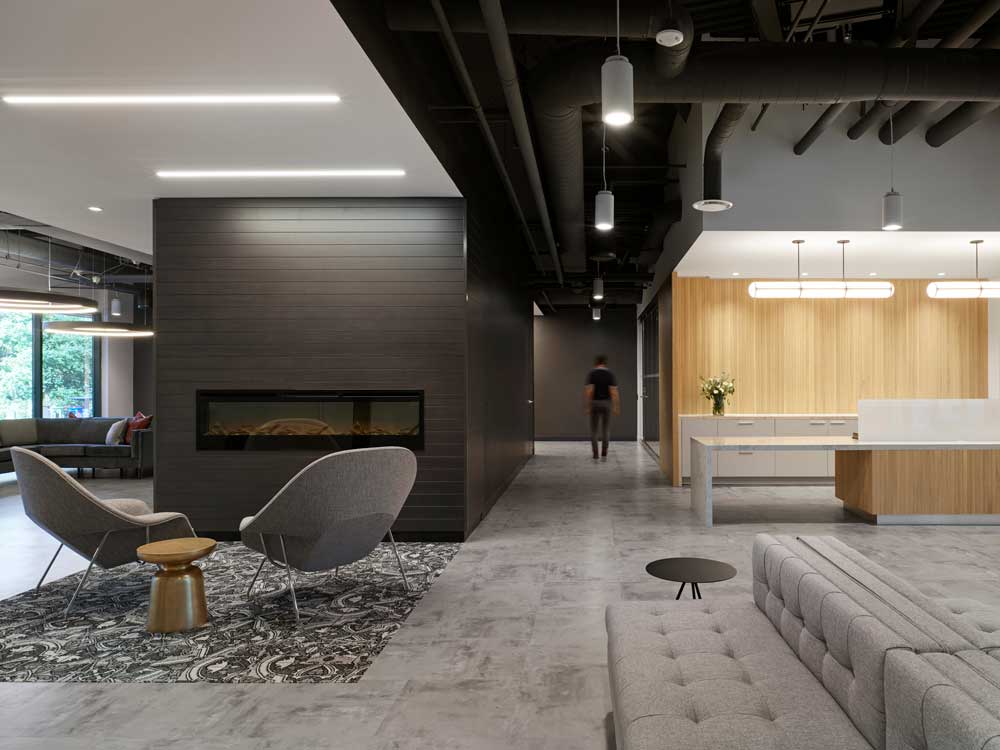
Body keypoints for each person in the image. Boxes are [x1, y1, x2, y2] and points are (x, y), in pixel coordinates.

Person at [584, 354, 620, 460]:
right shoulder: (610, 374)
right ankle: (604, 452)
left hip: (595, 403)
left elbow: (589, 391)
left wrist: (587, 405)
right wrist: (616, 406)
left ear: (596, 363)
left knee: (594, 430)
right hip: (606, 403)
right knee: (606, 429)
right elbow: (614, 392)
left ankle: (595, 453)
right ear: (605, 363)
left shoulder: (592, 373)